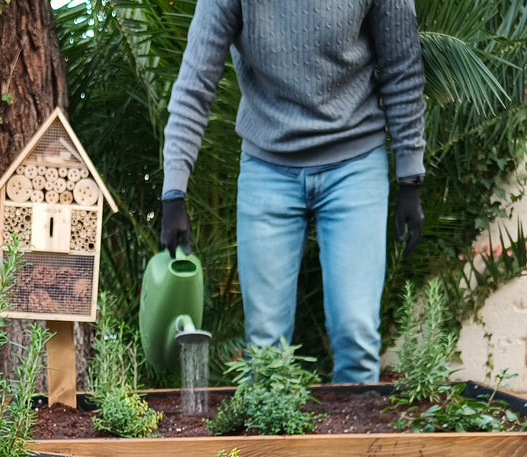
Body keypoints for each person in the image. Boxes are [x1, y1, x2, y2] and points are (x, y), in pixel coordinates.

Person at [160, 0, 426, 383]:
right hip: (268, 166)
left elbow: (403, 67)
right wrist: (174, 192)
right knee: (265, 350)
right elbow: (195, 82)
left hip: (354, 162)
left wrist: (410, 176)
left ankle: (355, 425)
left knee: (356, 332)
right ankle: (268, 425)